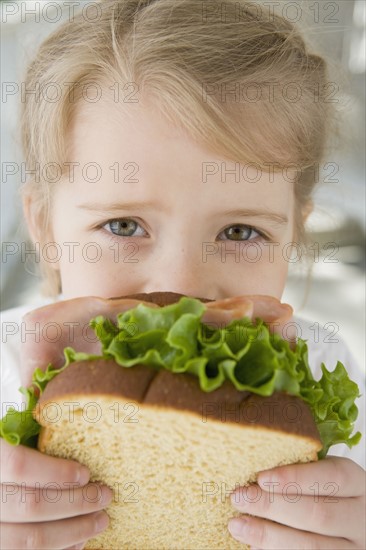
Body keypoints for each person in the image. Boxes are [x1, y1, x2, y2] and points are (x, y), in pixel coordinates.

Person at [1, 0, 365, 548]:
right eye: (123, 225)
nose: (184, 287)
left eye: (241, 232)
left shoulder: (326, 361)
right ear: (45, 228)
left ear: (292, 236)